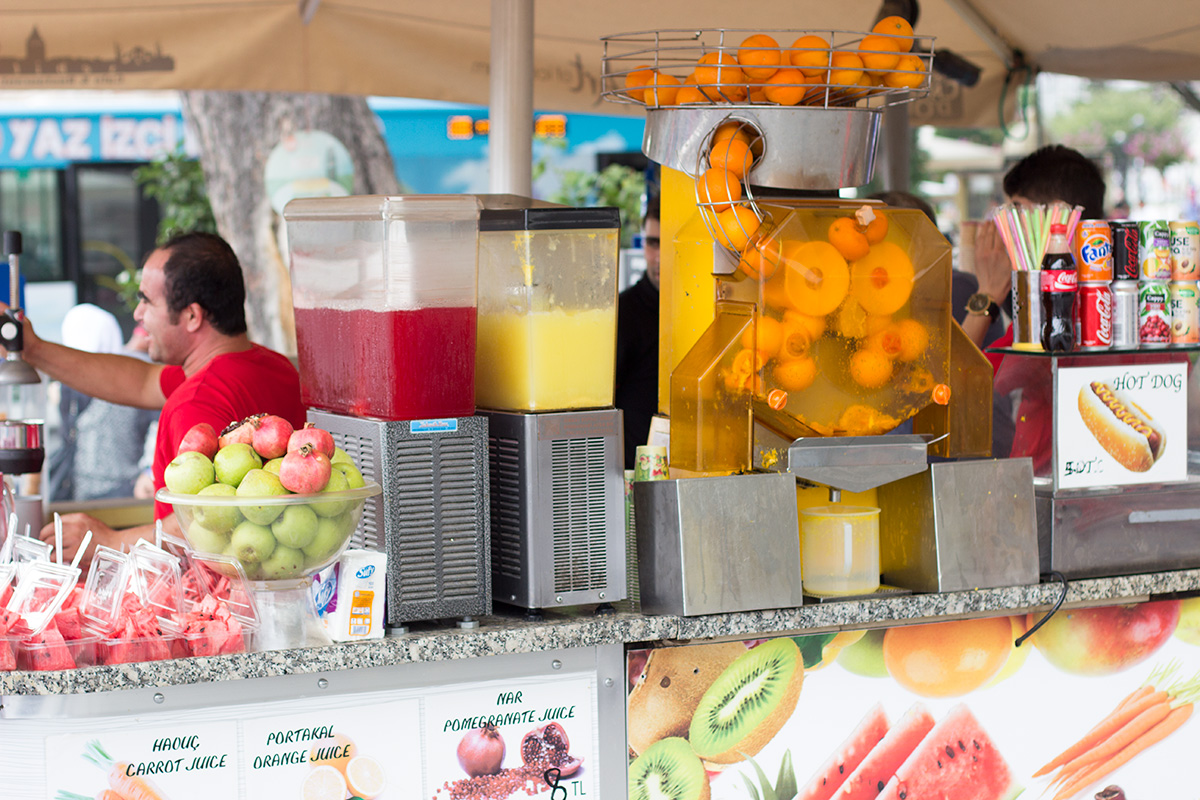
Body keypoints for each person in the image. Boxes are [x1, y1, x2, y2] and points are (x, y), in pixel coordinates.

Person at [2, 231, 307, 565]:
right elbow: (139, 380)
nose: (137, 313)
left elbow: (210, 519)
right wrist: (33, 348)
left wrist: (112, 540)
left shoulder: (195, 402)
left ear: (192, 316)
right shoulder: (272, 366)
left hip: (218, 599)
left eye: (147, 300)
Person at [975, 145, 1107, 472]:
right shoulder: (1096, 296)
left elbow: (968, 385)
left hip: (1052, 498)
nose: (1005, 228)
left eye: (1017, 211)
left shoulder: (1052, 309)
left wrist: (988, 293)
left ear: (1058, 217)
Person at [46, 304, 159, 502]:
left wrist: (149, 471)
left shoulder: (131, 375)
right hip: (97, 492)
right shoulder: (69, 386)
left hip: (122, 494)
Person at [615, 196, 661, 469]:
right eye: (653, 242)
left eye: (669, 242)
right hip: (633, 474)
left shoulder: (705, 309)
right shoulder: (624, 311)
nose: (659, 256)